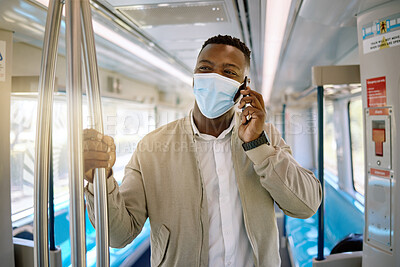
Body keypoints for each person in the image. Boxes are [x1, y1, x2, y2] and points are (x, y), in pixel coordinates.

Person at [83, 35, 322, 267]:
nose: (215, 77)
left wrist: (257, 145)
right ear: (195, 78)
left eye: (229, 72)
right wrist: (100, 180)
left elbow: (305, 205)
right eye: (206, 68)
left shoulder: (266, 137)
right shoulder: (152, 147)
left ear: (244, 86)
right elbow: (119, 235)